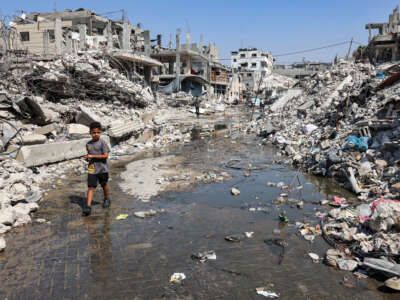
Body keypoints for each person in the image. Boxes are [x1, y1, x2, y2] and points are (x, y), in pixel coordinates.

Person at [82, 122, 111, 217]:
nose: (96, 134)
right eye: (94, 132)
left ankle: (107, 199)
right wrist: (88, 158)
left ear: (101, 132)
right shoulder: (88, 144)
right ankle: (88, 206)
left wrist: (92, 156)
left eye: (98, 132)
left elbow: (105, 156)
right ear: (90, 133)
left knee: (104, 184)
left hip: (102, 169)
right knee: (91, 187)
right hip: (92, 169)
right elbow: (91, 157)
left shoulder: (102, 143)